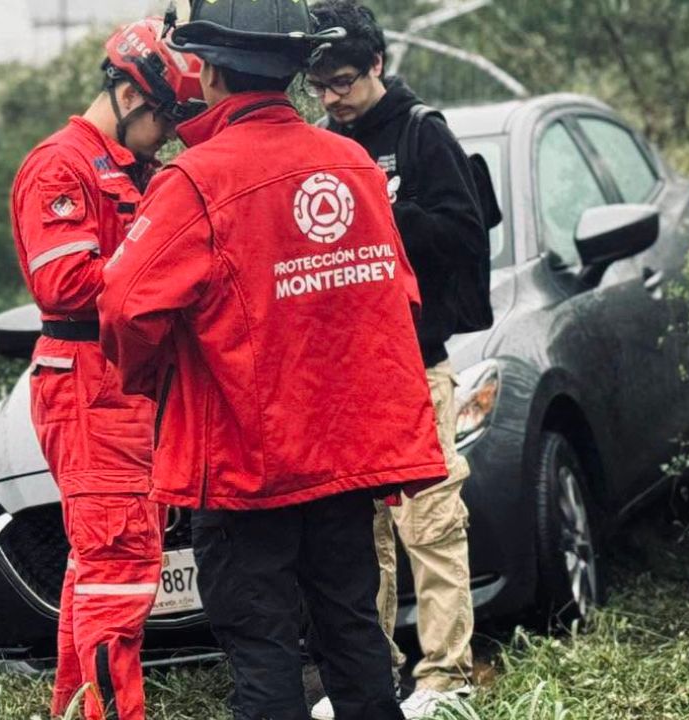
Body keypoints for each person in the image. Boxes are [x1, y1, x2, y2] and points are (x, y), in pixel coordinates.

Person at [97, 2, 449, 718]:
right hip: (343, 462)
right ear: (296, 70)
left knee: (262, 650)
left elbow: (123, 309)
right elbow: (401, 302)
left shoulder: (195, 182)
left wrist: (165, 375)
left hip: (243, 469)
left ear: (211, 70)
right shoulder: (352, 164)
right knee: (353, 636)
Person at [8, 18, 202, 720]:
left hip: (123, 383)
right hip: (89, 384)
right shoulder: (60, 166)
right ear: (128, 94)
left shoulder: (132, 169)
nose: (169, 134)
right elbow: (62, 286)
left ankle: (74, 710)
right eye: (165, 118)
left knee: (98, 573)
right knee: (119, 571)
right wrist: (157, 272)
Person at [304, 2, 491, 718]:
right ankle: (368, 680)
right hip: (345, 370)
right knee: (360, 532)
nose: (333, 99)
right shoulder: (322, 141)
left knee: (432, 519)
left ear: (377, 65)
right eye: (319, 87)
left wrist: (386, 211)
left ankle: (446, 679)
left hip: (416, 361)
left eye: (344, 82)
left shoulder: (421, 133)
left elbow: (463, 236)